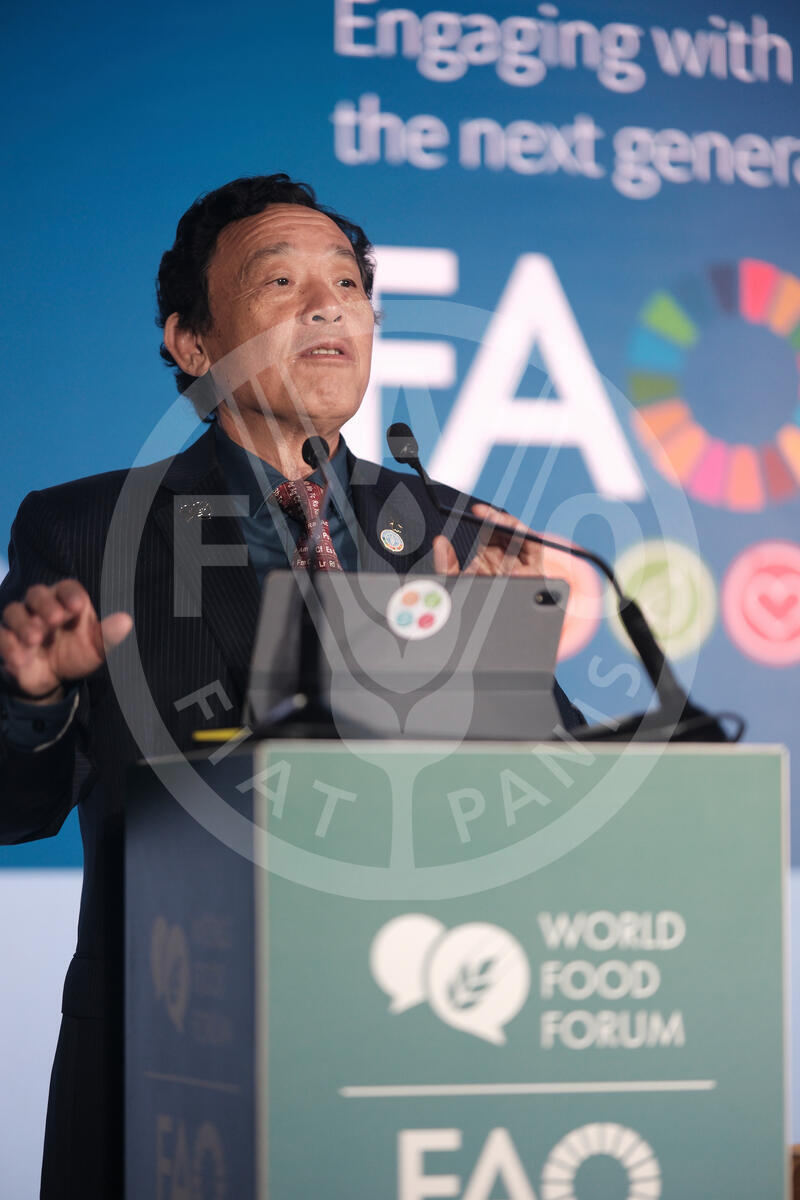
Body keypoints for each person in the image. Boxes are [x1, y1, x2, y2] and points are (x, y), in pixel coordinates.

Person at [0, 173, 579, 1199]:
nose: (327, 307)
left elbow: (551, 804)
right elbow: (16, 809)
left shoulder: (455, 531)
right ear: (192, 343)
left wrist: (515, 675)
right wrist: (32, 702)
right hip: (171, 1057)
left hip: (419, 1054)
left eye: (347, 285)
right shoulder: (87, 530)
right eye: (280, 281)